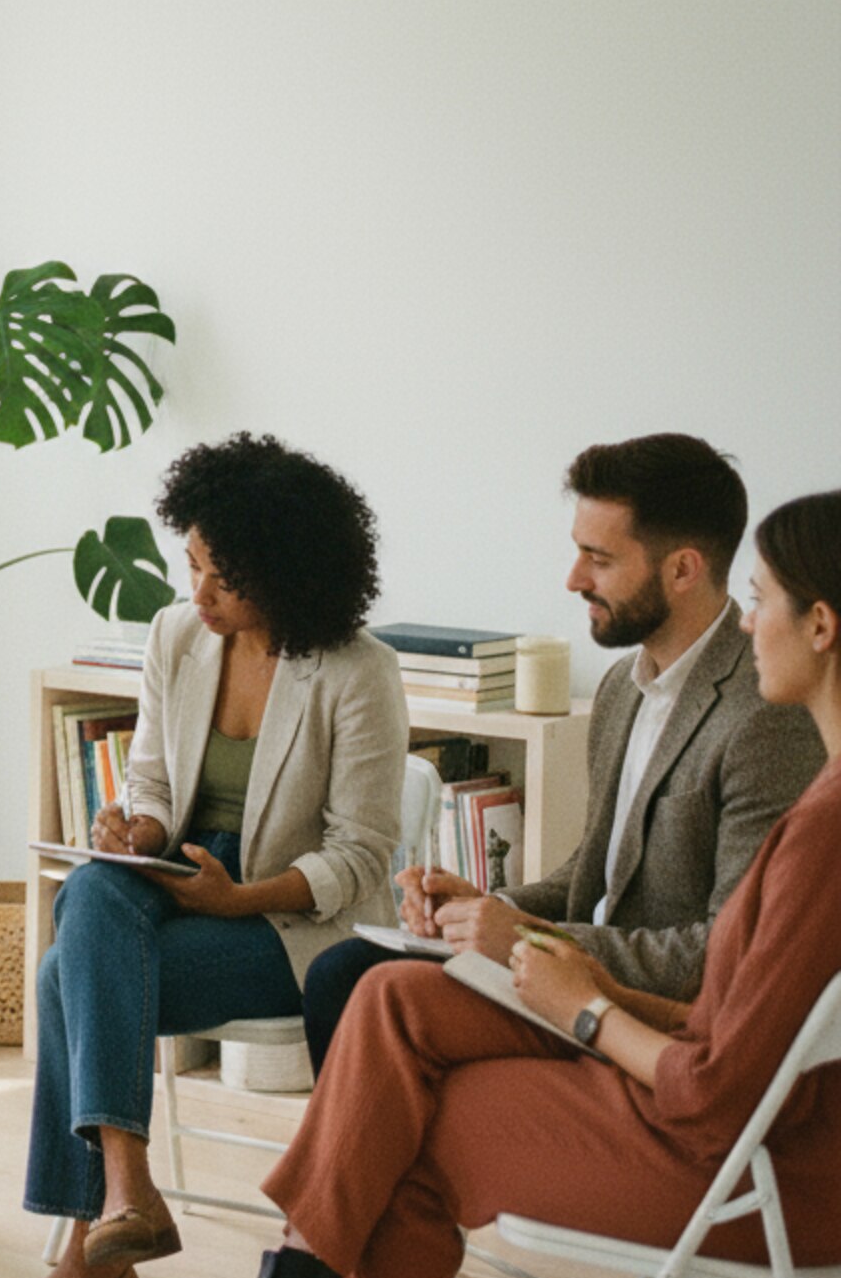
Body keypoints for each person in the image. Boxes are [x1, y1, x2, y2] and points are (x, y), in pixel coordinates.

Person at [109, 490, 841, 1278]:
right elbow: (736, 1007)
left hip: (756, 1166)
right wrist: (528, 943)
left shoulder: (823, 829)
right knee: (393, 993)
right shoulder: (811, 793)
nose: (746, 617)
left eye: (761, 598)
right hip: (736, 1109)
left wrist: (584, 1009)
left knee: (406, 1131)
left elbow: (718, 1083)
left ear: (822, 626)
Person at [0, 435, 406, 1278]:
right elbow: (150, 777)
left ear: (284, 574)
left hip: (292, 919)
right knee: (94, 891)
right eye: (193, 568)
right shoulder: (178, 635)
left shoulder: (357, 672)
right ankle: (129, 1197)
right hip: (178, 873)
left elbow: (362, 857)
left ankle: (95, 1259)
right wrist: (136, 832)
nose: (200, 594)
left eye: (223, 577)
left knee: (63, 979)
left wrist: (240, 899)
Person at [303, 433, 825, 1073]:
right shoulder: (621, 687)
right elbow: (594, 875)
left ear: (682, 570)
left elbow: (725, 951)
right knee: (347, 969)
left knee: (361, 984)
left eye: (598, 559)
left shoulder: (766, 717)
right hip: (564, 972)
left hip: (635, 1011)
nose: (574, 579)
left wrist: (525, 938)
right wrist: (487, 910)